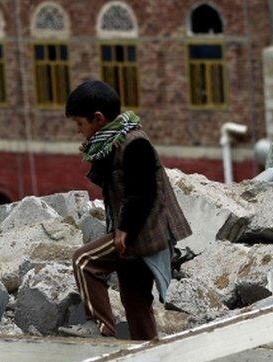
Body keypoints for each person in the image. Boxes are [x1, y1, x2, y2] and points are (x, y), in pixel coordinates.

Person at [61, 80, 192, 340]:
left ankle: (99, 329)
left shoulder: (134, 144)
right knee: (134, 299)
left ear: (98, 118)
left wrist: (123, 230)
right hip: (137, 234)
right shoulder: (114, 141)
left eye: (80, 124)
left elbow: (142, 192)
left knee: (84, 261)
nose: (79, 131)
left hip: (141, 235)